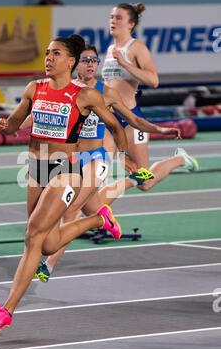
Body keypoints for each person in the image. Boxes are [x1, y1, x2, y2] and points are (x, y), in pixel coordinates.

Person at [0, 34, 133, 332]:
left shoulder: (85, 95)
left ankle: (7, 310)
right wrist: (4, 125)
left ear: (71, 61)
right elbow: (14, 125)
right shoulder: (33, 89)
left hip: (65, 170)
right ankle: (98, 220)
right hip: (37, 168)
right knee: (47, 243)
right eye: (47, 52)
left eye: (57, 53)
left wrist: (123, 157)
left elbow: (115, 125)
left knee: (32, 237)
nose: (49, 58)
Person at [35, 44, 182, 283]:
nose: (91, 64)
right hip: (72, 158)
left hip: (97, 159)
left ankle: (48, 265)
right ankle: (107, 212)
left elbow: (132, 120)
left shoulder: (106, 93)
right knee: (90, 208)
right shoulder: (66, 90)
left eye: (94, 60)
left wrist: (160, 130)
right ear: (74, 64)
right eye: (86, 60)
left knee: (70, 210)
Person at [100, 3, 199, 200]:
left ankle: (179, 159)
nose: (113, 21)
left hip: (131, 119)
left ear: (131, 24)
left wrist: (125, 64)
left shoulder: (136, 48)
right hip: (108, 118)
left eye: (119, 18)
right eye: (112, 17)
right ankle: (95, 219)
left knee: (143, 180)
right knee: (98, 169)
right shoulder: (111, 48)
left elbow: (153, 80)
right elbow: (109, 84)